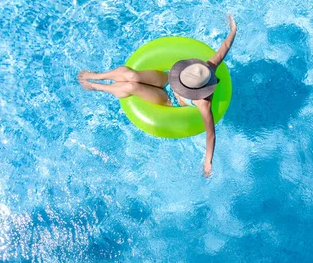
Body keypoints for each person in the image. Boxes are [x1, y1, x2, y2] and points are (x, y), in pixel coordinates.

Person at [78, 15, 237, 177]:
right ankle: (98, 76)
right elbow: (225, 46)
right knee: (132, 75)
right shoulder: (208, 67)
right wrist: (233, 29)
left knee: (131, 86)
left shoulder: (204, 104)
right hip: (168, 79)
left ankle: (96, 86)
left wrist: (207, 162)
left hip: (170, 99)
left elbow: (211, 134)